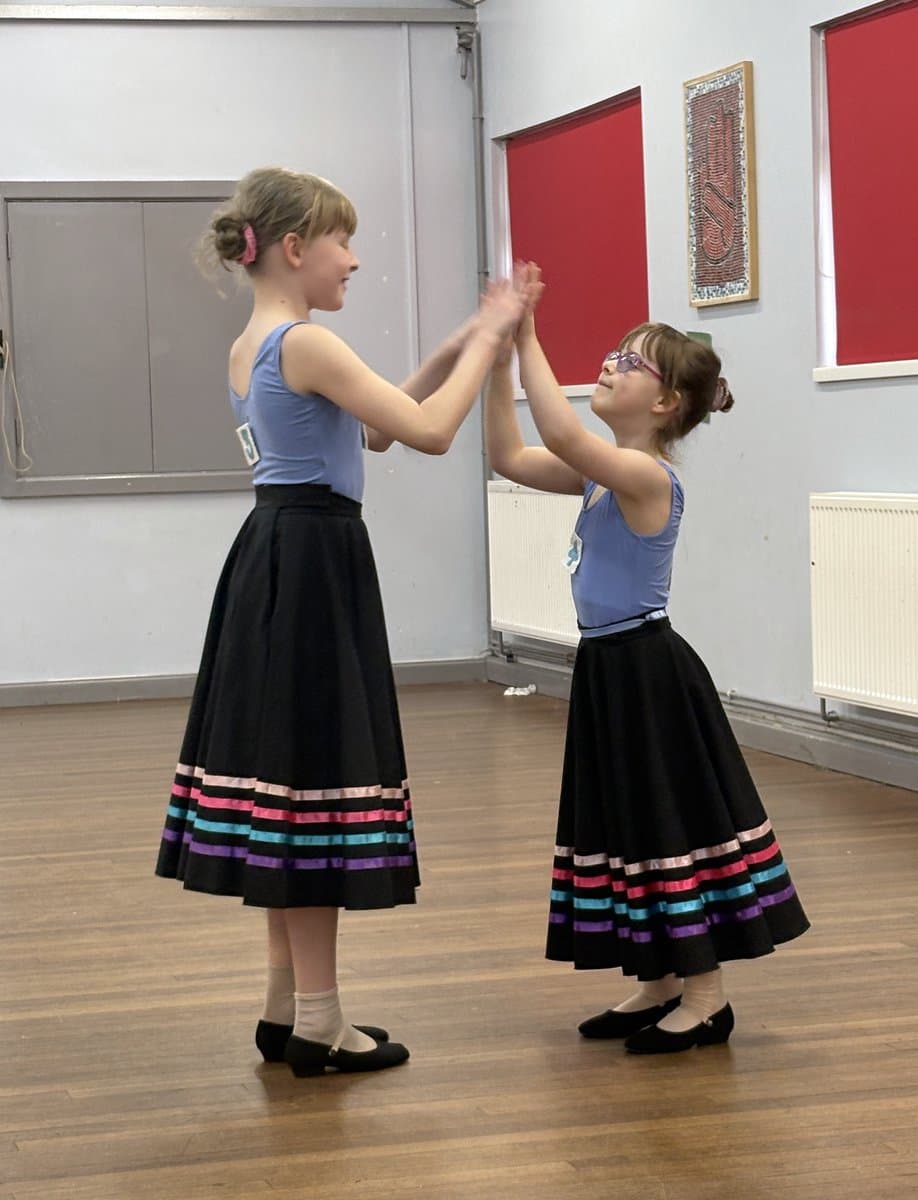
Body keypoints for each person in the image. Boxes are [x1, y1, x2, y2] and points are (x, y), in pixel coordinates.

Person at [155, 167, 529, 1077]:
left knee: (286, 787)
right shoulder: (307, 344)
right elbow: (433, 433)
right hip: (314, 563)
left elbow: (377, 427)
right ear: (293, 248)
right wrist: (491, 338)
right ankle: (320, 1019)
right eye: (342, 243)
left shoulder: (258, 343)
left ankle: (287, 1006)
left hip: (277, 557)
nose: (353, 261)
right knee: (313, 786)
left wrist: (451, 348)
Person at [485, 264, 809, 1054]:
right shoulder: (601, 478)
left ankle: (706, 994)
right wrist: (499, 362)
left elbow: (561, 434)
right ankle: (659, 980)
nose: (610, 364)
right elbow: (510, 455)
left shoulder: (641, 474)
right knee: (629, 822)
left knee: (671, 821)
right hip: (608, 670)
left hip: (648, 672)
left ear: (665, 404)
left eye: (631, 363)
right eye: (614, 353)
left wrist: (525, 332)